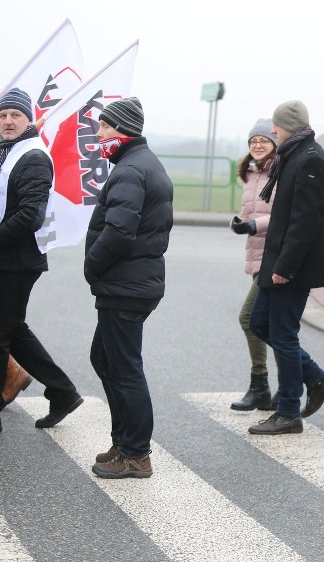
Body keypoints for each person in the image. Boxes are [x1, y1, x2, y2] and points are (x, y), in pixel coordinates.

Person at [86, 97, 173, 478]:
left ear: (124, 129)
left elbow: (119, 231)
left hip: (125, 284)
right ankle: (123, 441)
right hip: (130, 283)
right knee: (105, 359)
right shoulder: (138, 164)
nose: (100, 134)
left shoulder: (130, 169)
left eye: (105, 127)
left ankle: (136, 453)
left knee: (124, 368)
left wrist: (92, 264)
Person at [247, 100, 324, 435]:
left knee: (283, 335)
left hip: (292, 266)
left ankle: (288, 411)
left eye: (276, 125)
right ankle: (316, 377)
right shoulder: (294, 155)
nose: (272, 131)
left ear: (289, 124)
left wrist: (285, 267)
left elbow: (305, 223)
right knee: (259, 323)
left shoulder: (310, 159)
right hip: (279, 260)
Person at [0, 87, 83, 434]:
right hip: (9, 257)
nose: (7, 121)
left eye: (15, 115)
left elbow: (29, 216)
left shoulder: (33, 157)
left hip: (17, 261)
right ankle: (63, 392)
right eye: (3, 115)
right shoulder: (10, 151)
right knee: (13, 329)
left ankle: (61, 392)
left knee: (3, 333)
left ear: (28, 119)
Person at [229, 119, 278, 411]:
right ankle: (268, 386)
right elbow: (249, 211)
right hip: (257, 255)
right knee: (264, 323)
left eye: (263, 141)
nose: (257, 145)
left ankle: (304, 375)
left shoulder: (280, 172)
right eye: (252, 141)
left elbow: (282, 216)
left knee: (249, 319)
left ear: (274, 144)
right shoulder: (250, 173)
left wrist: (252, 225)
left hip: (273, 257)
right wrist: (239, 222)